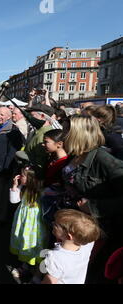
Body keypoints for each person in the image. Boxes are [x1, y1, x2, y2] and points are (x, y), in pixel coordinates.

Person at [62, 115, 123, 283]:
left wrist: (94, 207)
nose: (62, 134)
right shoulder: (75, 154)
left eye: (66, 130)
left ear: (79, 133)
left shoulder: (103, 159)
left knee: (83, 271)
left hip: (94, 229)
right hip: (73, 222)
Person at [0, 106, 24, 224]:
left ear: (8, 116)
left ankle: (1, 217)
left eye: (2, 115)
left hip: (2, 168)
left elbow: (12, 153)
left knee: (1, 195)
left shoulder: (13, 131)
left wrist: (6, 169)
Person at [40, 209, 101, 284]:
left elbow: (49, 281)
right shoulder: (86, 246)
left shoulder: (55, 258)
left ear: (69, 237)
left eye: (56, 224)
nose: (52, 223)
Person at [9, 166, 48, 282]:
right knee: (24, 241)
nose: (20, 177)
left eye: (23, 175)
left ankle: (37, 274)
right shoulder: (23, 188)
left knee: (35, 244)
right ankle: (25, 266)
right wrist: (15, 186)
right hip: (23, 224)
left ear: (31, 179)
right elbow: (13, 200)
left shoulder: (41, 192)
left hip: (35, 226)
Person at [40, 129, 69, 224]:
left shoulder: (63, 163)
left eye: (46, 142)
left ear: (59, 144)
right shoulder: (53, 158)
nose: (43, 144)